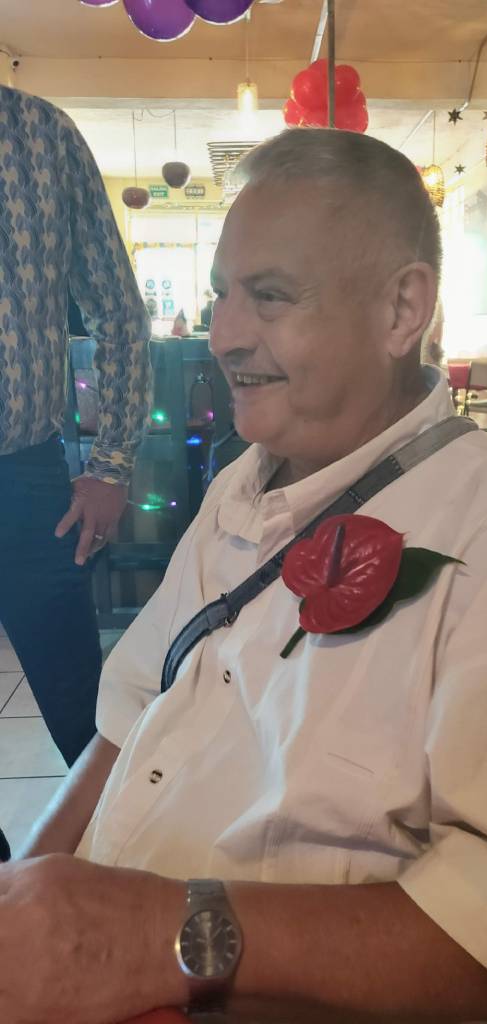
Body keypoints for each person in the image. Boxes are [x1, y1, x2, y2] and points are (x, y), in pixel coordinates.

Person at [3, 128, 487, 1024]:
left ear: (402, 309)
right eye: (221, 294)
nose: (224, 335)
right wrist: (31, 894)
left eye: (269, 296)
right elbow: (126, 718)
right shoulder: (238, 483)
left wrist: (152, 936)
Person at [0, 84, 151, 768]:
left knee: (84, 712)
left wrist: (111, 464)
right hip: (28, 475)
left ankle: (112, 837)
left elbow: (116, 308)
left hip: (23, 475)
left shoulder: (41, 134)